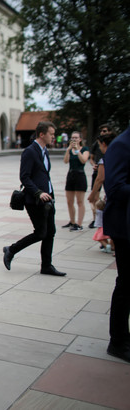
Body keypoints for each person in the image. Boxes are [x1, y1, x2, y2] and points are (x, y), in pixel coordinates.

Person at [3, 121, 66, 277]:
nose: (54, 137)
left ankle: (46, 266)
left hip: (48, 199)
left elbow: (44, 174)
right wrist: (38, 193)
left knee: (50, 232)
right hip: (35, 200)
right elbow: (24, 177)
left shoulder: (44, 151)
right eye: (51, 134)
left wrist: (50, 193)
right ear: (42, 134)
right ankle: (11, 249)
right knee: (40, 233)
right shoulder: (30, 151)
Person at [103, 125, 130, 363]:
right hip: (125, 228)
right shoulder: (121, 145)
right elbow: (114, 188)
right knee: (126, 283)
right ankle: (118, 340)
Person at [61, 131, 89, 231]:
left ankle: (79, 224)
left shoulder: (85, 149)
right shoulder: (70, 150)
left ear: (80, 139)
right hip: (71, 174)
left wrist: (77, 150)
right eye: (72, 138)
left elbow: (83, 160)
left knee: (80, 201)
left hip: (80, 175)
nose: (74, 140)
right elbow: (65, 161)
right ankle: (72, 221)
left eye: (76, 138)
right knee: (69, 201)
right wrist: (68, 149)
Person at [88, 124, 112, 228]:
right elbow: (92, 158)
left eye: (105, 131)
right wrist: (94, 165)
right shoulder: (117, 151)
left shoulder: (106, 158)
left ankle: (102, 228)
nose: (102, 133)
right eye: (101, 131)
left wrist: (92, 194)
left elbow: (100, 179)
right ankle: (96, 220)